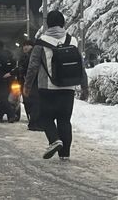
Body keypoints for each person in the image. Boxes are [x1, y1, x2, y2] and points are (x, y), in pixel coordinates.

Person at [24, 10, 89, 160]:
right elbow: (81, 65)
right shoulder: (72, 40)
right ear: (63, 23)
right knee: (64, 120)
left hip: (47, 88)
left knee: (45, 118)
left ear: (48, 24)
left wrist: (27, 86)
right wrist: (84, 86)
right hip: (68, 87)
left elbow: (33, 66)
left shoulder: (41, 42)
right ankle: (64, 155)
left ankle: (54, 140)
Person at [17, 39, 41, 131]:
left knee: (33, 102)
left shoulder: (32, 56)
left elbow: (30, 69)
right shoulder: (24, 57)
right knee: (30, 102)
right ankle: (33, 122)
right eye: (24, 45)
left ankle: (33, 122)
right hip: (27, 83)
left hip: (32, 83)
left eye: (28, 45)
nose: (25, 47)